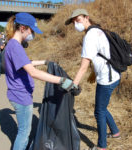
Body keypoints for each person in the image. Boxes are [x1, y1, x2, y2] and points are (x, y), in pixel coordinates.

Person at [5, 12, 78, 150]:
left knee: (23, 131)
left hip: (17, 94)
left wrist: (44, 61)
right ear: (22, 28)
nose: (31, 34)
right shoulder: (15, 47)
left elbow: (26, 63)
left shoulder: (12, 45)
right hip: (21, 96)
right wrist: (61, 80)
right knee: (23, 134)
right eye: (31, 31)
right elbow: (32, 72)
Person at [65, 9, 120, 150]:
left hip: (107, 79)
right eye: (73, 22)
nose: (75, 24)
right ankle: (115, 132)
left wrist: (73, 85)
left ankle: (101, 146)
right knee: (102, 107)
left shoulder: (90, 36)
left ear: (86, 18)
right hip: (113, 75)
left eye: (77, 20)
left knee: (99, 111)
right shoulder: (98, 30)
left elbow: (83, 66)